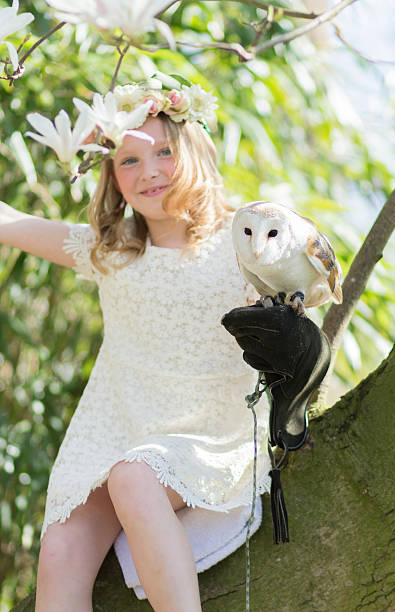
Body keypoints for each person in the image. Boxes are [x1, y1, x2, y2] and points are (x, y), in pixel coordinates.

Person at [0, 79, 272, 612]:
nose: (149, 172)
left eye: (165, 152)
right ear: (112, 177)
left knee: (136, 475)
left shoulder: (244, 240)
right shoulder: (111, 253)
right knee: (59, 550)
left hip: (208, 432)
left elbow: (302, 300)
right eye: (128, 161)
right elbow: (9, 222)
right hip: (115, 431)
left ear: (194, 151)